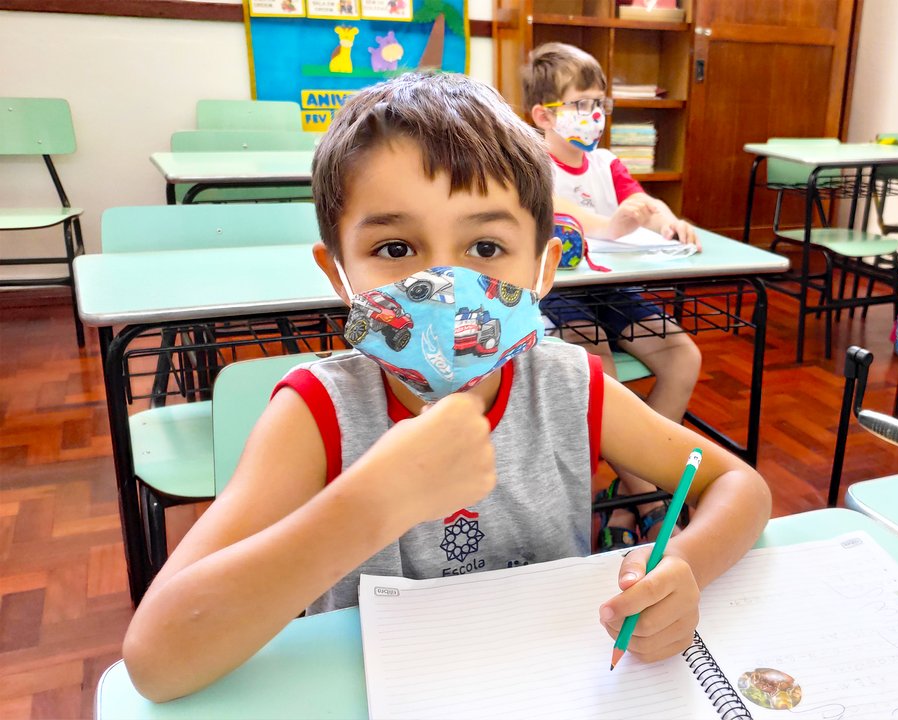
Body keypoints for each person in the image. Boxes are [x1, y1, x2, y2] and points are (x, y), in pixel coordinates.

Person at [120, 72, 771, 702]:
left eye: (485, 248)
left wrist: (684, 566)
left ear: (543, 268)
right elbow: (156, 660)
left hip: (550, 688)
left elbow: (738, 486)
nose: (443, 286)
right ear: (339, 272)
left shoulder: (567, 386)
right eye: (395, 249)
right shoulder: (318, 414)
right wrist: (371, 504)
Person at [522, 42, 705, 548]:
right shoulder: (532, 163)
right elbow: (561, 211)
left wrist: (668, 221)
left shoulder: (605, 162)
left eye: (599, 103)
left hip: (611, 287)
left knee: (683, 356)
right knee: (599, 372)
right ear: (544, 115)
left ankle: (628, 492)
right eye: (580, 103)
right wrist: (612, 225)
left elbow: (642, 201)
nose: (594, 114)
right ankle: (649, 499)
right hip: (558, 291)